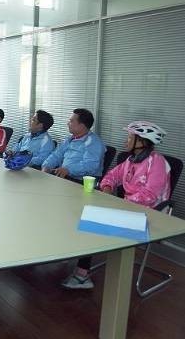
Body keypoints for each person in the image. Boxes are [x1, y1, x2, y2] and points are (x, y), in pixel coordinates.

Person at [61, 121, 171, 290]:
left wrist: (120, 203)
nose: (126, 141)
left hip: (151, 216)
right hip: (129, 209)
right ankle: (72, 254)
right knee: (83, 213)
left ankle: (82, 276)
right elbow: (112, 176)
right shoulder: (131, 160)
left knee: (93, 223)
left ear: (142, 141)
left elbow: (150, 195)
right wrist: (107, 187)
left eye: (130, 138)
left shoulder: (157, 162)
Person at [42, 108, 105, 180]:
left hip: (81, 182)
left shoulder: (94, 142)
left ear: (82, 125)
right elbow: (56, 155)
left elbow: (90, 165)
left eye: (71, 121)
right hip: (64, 177)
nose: (68, 123)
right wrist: (46, 166)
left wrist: (68, 170)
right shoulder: (69, 139)